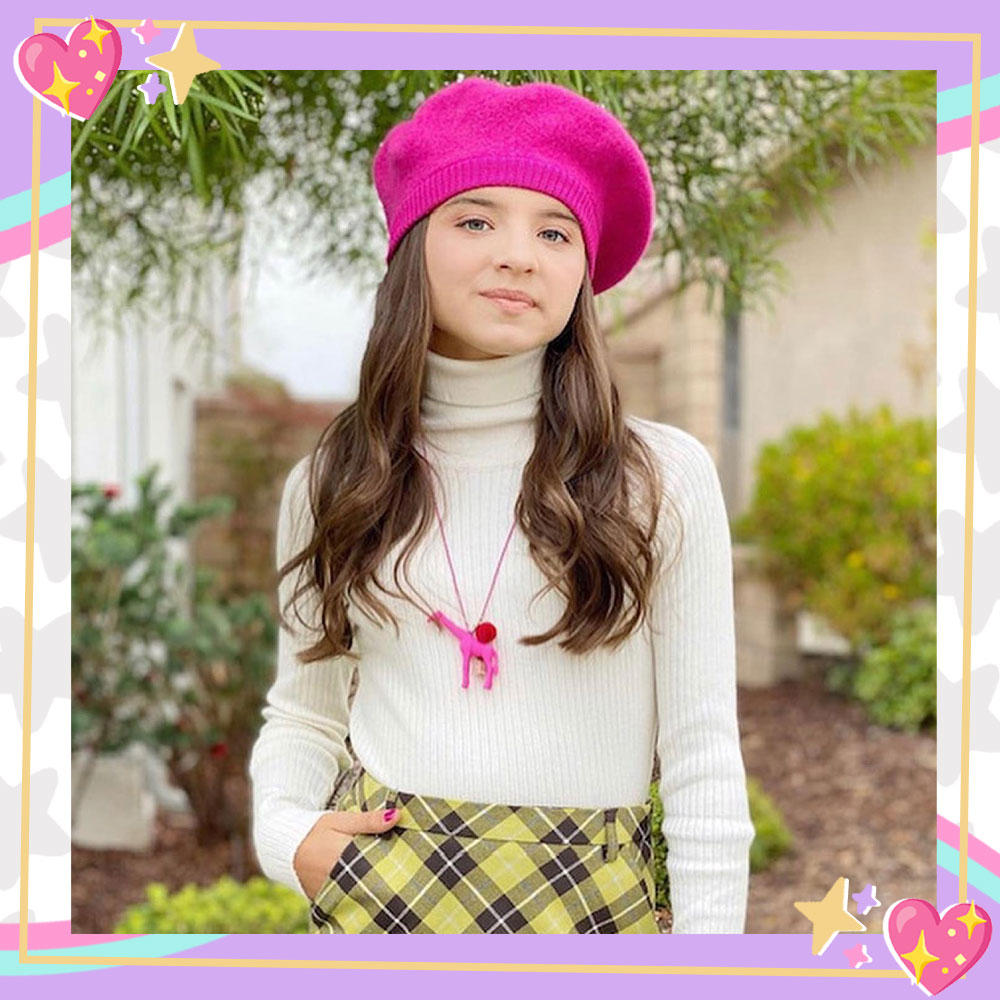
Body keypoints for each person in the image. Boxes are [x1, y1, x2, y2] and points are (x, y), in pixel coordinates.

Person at [248, 75, 755, 934]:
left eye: (554, 231)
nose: (519, 254)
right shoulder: (335, 479)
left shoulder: (659, 477)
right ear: (413, 246)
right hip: (382, 905)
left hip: (596, 910)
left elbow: (703, 751)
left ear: (582, 271)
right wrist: (288, 836)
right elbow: (304, 709)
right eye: (476, 220)